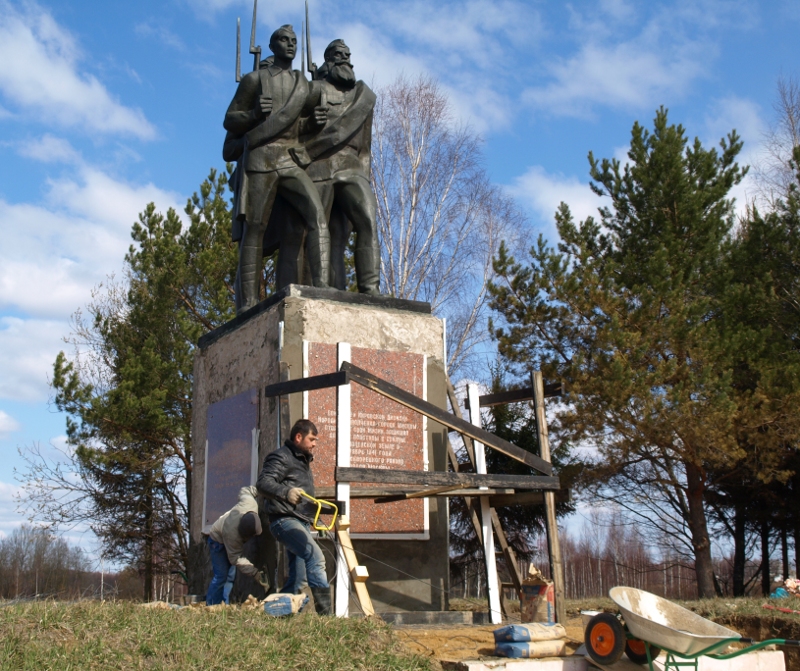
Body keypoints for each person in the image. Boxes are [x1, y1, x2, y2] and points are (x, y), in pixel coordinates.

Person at [223, 24, 331, 313]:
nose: (291, 45)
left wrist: (315, 122)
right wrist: (255, 113)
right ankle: (247, 304)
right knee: (254, 230)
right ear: (273, 46)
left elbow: (301, 127)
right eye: (284, 40)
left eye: (294, 41)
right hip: (260, 161)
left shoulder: (302, 84)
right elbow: (230, 121)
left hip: (289, 160)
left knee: (317, 216)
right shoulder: (254, 80)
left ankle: (322, 290)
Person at [292, 39, 380, 295]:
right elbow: (291, 128)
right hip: (319, 167)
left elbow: (365, 147)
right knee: (318, 231)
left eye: (347, 55)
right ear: (328, 61)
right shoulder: (313, 89)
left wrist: (364, 175)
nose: (345, 60)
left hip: (352, 168)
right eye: (338, 55)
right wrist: (308, 124)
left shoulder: (364, 98)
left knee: (367, 221)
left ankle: (371, 288)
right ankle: (319, 288)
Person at [256, 419, 332, 615]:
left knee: (299, 581)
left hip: (301, 522)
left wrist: (316, 518)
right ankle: (327, 618)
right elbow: (263, 483)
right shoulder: (281, 456)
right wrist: (286, 492)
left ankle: (274, 616)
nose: (315, 444)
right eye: (312, 439)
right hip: (284, 520)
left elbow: (305, 496)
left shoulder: (302, 461)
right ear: (298, 437)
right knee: (315, 557)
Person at [206, 485, 268, 605]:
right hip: (217, 541)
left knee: (230, 577)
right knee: (221, 576)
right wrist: (254, 572)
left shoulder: (250, 503)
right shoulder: (233, 536)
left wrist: (264, 488)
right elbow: (236, 558)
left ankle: (224, 604)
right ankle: (212, 605)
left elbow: (246, 491)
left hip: (226, 535)